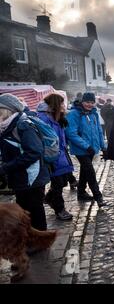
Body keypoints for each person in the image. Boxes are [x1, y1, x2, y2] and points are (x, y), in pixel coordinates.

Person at [0, 94, 50, 230]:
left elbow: (34, 151)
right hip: (20, 178)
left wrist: (7, 167)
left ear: (7, 110)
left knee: (34, 211)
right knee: (24, 210)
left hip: (32, 178)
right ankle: (30, 238)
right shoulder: (7, 126)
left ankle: (40, 242)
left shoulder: (23, 125)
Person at [65, 92, 107, 207]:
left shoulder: (94, 114)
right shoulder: (74, 114)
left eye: (92, 102)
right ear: (82, 101)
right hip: (81, 149)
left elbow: (99, 131)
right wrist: (86, 146)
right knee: (90, 172)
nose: (90, 104)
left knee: (85, 171)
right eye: (87, 102)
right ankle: (98, 197)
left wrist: (103, 147)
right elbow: (71, 133)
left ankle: (81, 192)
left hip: (91, 149)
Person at [37, 94, 74, 221]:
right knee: (58, 183)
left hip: (61, 154)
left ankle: (48, 198)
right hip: (52, 156)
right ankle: (59, 209)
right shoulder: (44, 118)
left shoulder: (55, 117)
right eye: (62, 104)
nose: (64, 106)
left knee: (63, 181)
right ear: (56, 104)